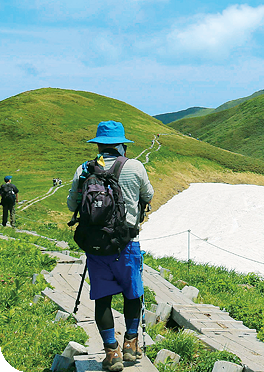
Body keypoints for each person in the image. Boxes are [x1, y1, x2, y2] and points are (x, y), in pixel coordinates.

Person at [67, 121, 154, 371]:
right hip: (127, 243)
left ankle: (111, 352)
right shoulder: (135, 166)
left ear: (98, 144)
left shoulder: (84, 169)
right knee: (132, 294)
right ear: (121, 145)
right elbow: (148, 196)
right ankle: (130, 345)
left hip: (96, 246)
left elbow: (72, 204)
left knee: (102, 299)